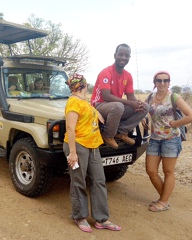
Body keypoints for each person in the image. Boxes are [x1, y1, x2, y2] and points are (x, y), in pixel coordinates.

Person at [63, 73, 121, 233]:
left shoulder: (84, 102)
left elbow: (88, 115)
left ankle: (101, 219)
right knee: (78, 181)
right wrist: (73, 153)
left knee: (99, 181)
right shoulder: (73, 102)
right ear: (84, 85)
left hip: (93, 147)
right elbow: (70, 128)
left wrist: (97, 113)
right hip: (78, 146)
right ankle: (79, 216)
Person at [142, 71, 192, 212]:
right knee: (151, 170)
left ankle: (163, 202)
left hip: (171, 139)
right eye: (159, 80)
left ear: (169, 82)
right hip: (155, 139)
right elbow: (141, 110)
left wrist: (175, 123)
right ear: (155, 82)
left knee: (168, 171)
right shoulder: (151, 96)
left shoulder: (174, 97)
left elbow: (190, 115)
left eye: (165, 80)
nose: (162, 83)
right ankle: (164, 198)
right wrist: (142, 119)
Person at [91, 43, 149, 149]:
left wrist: (138, 107)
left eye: (127, 55)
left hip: (115, 108)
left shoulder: (128, 75)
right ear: (115, 56)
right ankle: (108, 135)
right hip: (99, 106)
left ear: (129, 58)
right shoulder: (106, 72)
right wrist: (130, 103)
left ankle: (120, 132)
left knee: (145, 107)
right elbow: (106, 96)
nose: (123, 58)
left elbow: (131, 96)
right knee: (118, 106)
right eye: (120, 54)